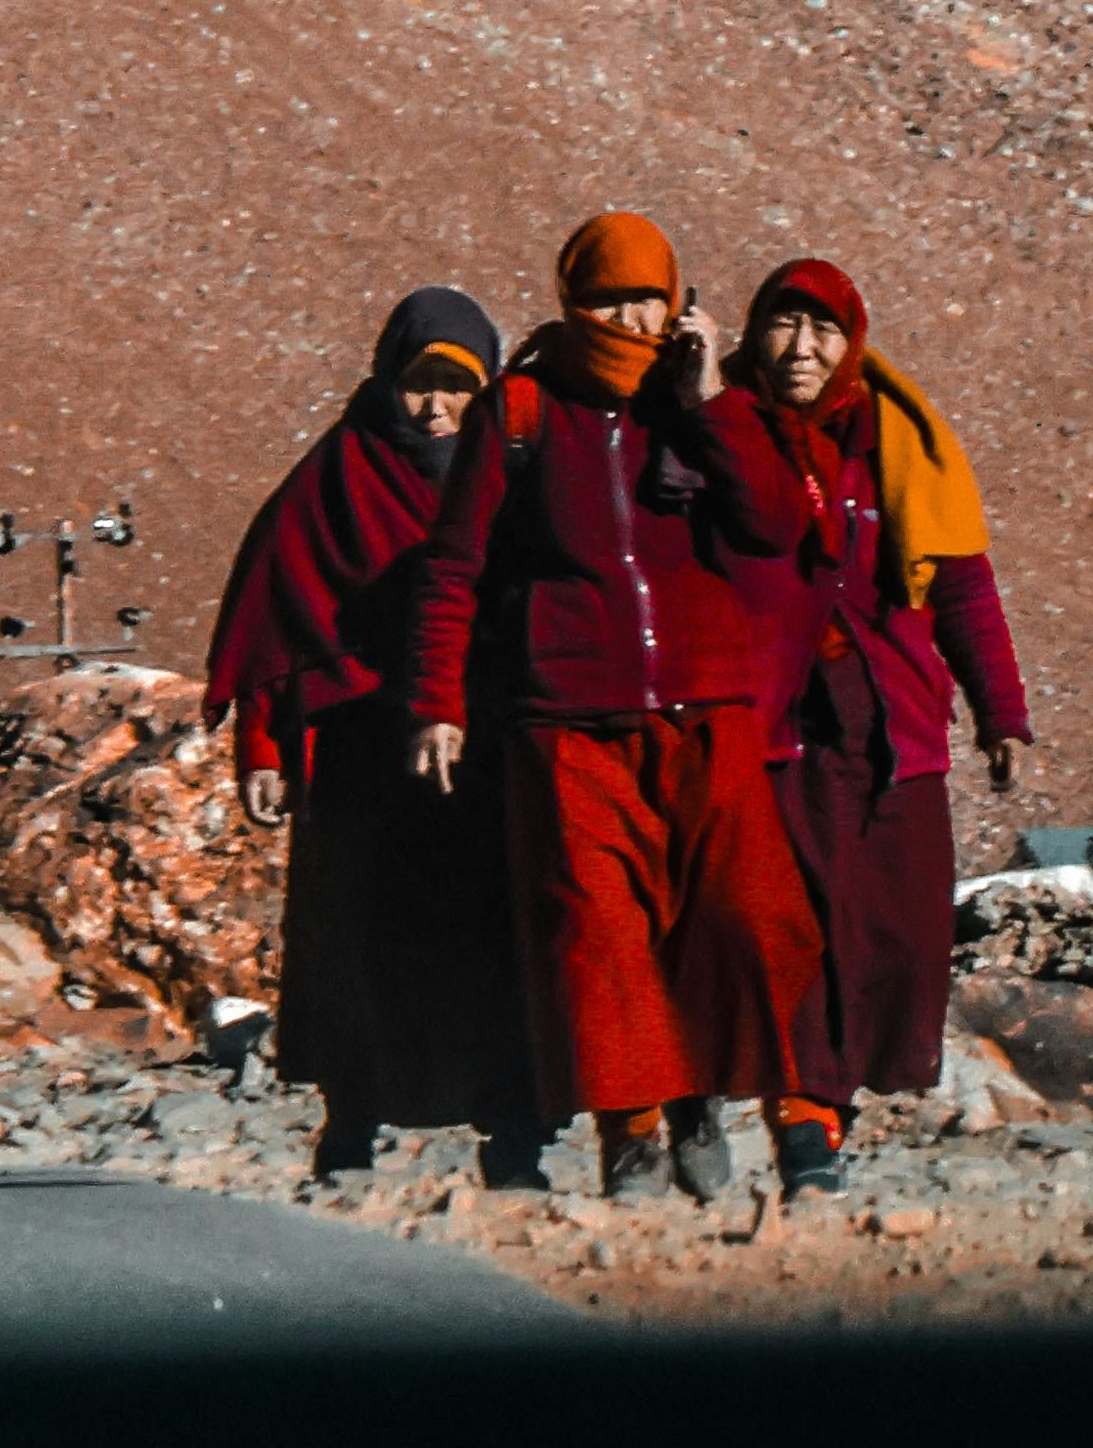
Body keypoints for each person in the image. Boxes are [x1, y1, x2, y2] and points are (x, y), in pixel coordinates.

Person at [395, 211, 830, 1203]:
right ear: (568, 303)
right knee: (596, 932)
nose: (629, 315)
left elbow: (770, 522)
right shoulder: (518, 409)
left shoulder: (702, 404)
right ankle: (630, 1128)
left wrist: (709, 400)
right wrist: (436, 701)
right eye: (606, 298)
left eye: (647, 296)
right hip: (567, 716)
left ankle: (705, 1099)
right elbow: (454, 563)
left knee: (744, 917)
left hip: (707, 711)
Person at [205, 288, 541, 1180]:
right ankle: (348, 1124)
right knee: (359, 946)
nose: (435, 408)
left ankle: (511, 1137)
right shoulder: (336, 476)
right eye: (418, 385)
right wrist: (265, 749)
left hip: (481, 751)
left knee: (493, 945)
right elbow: (275, 616)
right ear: (386, 381)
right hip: (360, 755)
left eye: (457, 388)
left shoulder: (513, 474)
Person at [731, 256, 1034, 1186]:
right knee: (790, 922)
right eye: (785, 325)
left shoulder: (894, 438)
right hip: (771, 725)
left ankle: (840, 1097)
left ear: (851, 340)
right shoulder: (723, 427)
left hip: (888, 718)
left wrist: (1001, 714)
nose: (803, 348)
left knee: (896, 926)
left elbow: (960, 586)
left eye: (823, 329)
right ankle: (803, 1109)